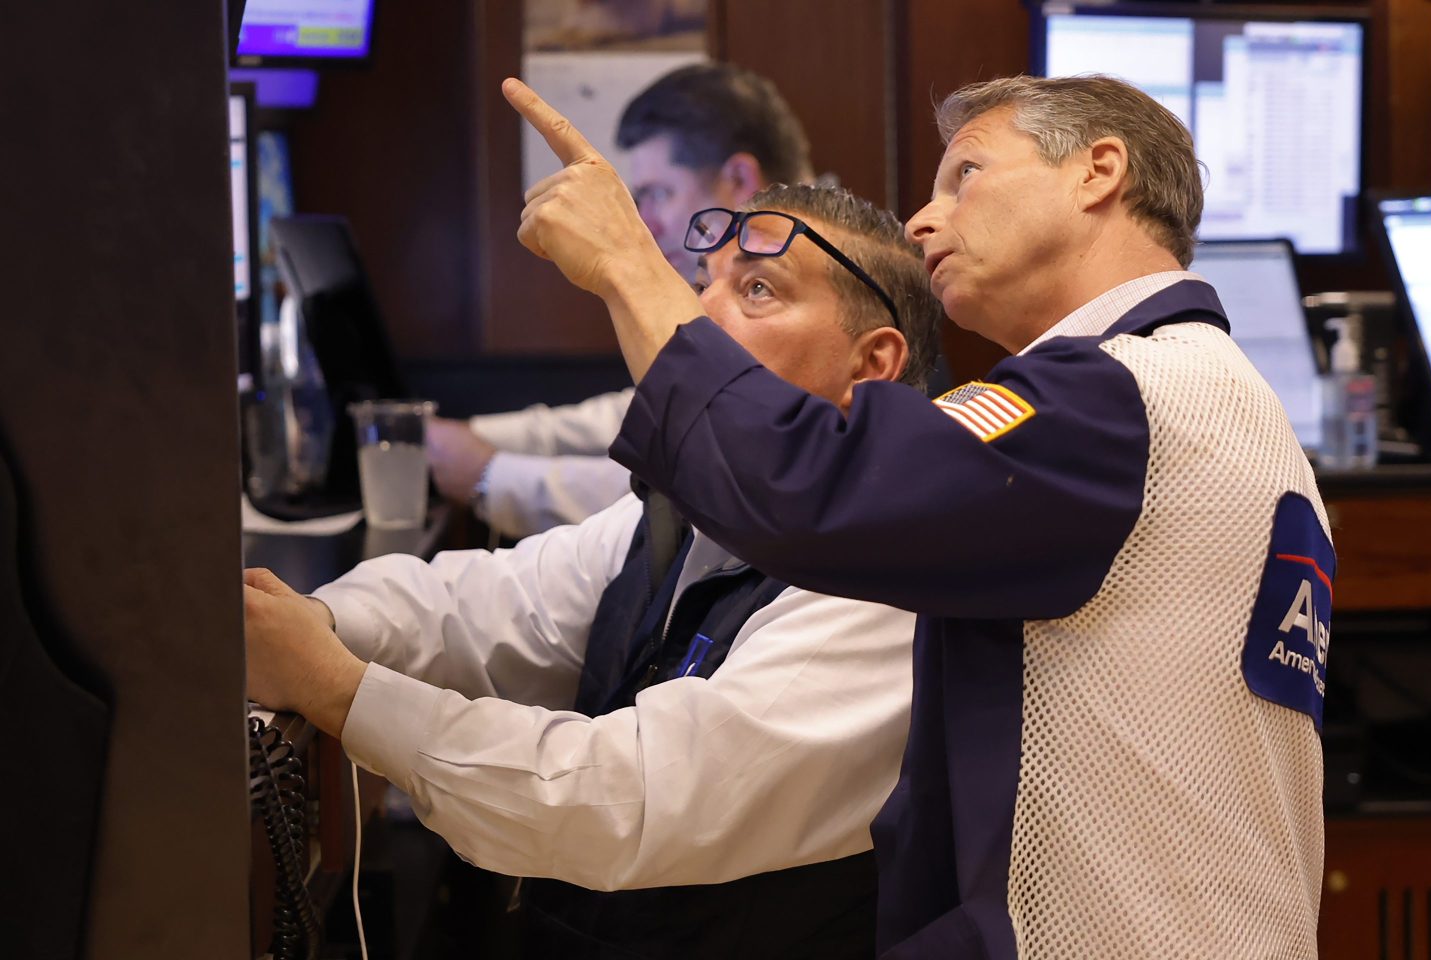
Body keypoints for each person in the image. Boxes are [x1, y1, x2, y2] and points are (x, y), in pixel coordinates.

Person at [503, 73, 1336, 959]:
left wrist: (628, 264)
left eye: (965, 174)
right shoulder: (1213, 394)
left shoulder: (1118, 395)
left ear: (1098, 171)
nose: (920, 222)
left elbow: (808, 487)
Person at [245, 182, 943, 959]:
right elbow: (488, 603)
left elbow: (624, 797)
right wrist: (312, 622)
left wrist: (337, 691)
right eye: (701, 283)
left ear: (871, 364)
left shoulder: (884, 578)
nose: (697, 317)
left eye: (757, 290)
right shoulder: (683, 510)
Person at [426, 63, 814, 539]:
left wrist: (489, 474)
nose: (646, 222)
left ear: (738, 179)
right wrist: (476, 436)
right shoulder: (744, 274)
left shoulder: (813, 290)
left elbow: (709, 478)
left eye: (658, 194)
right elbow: (654, 409)